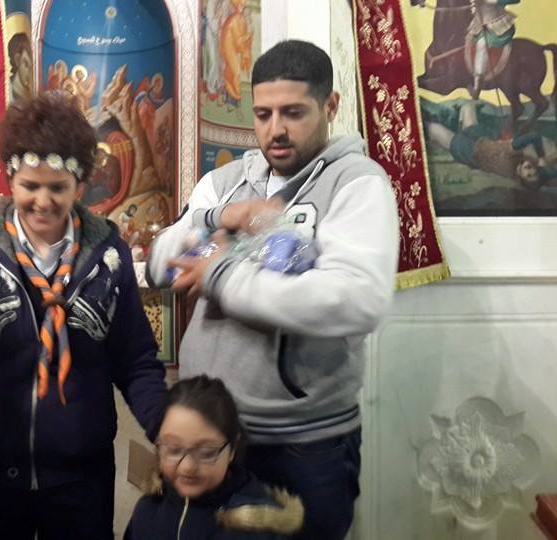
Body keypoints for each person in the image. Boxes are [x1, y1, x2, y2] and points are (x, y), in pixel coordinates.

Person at [146, 40, 399, 539]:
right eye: (263, 114)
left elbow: (355, 299)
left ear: (330, 105)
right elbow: (160, 263)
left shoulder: (356, 183)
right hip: (210, 433)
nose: (275, 129)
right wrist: (223, 216)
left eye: (293, 112)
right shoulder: (224, 182)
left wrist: (220, 274)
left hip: (302, 444)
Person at [0, 91, 168, 540]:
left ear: (80, 186)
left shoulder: (108, 257)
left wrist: (168, 435)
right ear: (10, 180)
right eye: (29, 186)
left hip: (82, 481)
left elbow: (135, 362)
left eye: (57, 188)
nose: (43, 201)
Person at [125, 375, 303, 539]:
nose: (187, 467)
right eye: (173, 450)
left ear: (232, 448)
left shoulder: (257, 530)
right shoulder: (147, 510)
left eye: (206, 452)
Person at [424, 101, 556, 190]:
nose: (531, 170)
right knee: (468, 107)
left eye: (529, 175)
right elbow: (549, 172)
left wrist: (541, 158)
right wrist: (543, 161)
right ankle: (458, 128)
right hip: (481, 137)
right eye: (535, 172)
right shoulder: (520, 158)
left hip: (470, 150)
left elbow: (533, 136)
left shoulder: (512, 159)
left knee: (433, 129)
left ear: (520, 178)